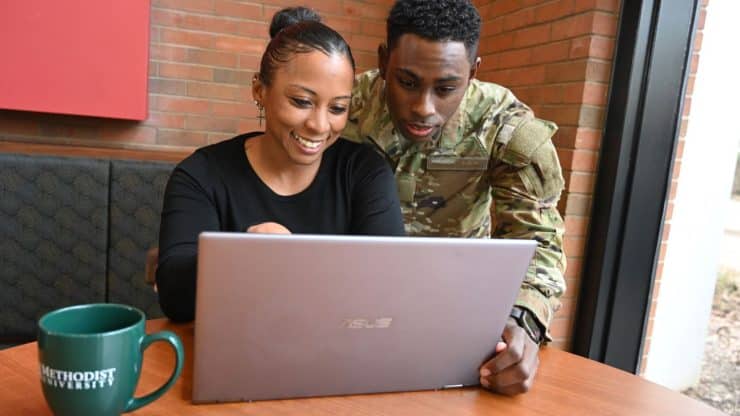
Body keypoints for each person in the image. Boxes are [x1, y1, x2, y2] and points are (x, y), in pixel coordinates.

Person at [342, 0, 566, 395]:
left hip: (456, 318)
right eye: (406, 82)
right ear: (382, 60)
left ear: (474, 71)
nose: (422, 108)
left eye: (446, 88)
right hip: (353, 309)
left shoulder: (503, 125)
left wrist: (521, 322)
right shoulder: (345, 107)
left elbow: (539, 239)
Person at [156, 8, 405, 322]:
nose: (319, 125)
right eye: (302, 101)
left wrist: (295, 263)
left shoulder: (365, 172)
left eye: (338, 107)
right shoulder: (200, 175)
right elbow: (175, 298)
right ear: (260, 91)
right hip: (237, 349)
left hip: (338, 355)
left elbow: (390, 288)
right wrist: (239, 257)